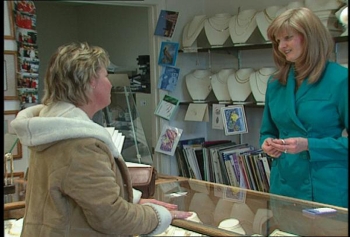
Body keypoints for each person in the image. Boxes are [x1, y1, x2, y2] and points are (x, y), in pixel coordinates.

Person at [11, 42, 192, 237]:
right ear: (89, 82)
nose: (111, 84)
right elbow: (113, 218)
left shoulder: (49, 129)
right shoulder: (80, 144)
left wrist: (133, 200)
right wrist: (160, 216)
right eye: (106, 76)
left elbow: (76, 193)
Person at [260, 7, 348, 208]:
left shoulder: (340, 80)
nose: (282, 46)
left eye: (287, 38)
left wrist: (309, 145)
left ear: (309, 37)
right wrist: (267, 143)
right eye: (277, 41)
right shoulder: (275, 84)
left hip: (326, 188)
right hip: (285, 185)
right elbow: (267, 131)